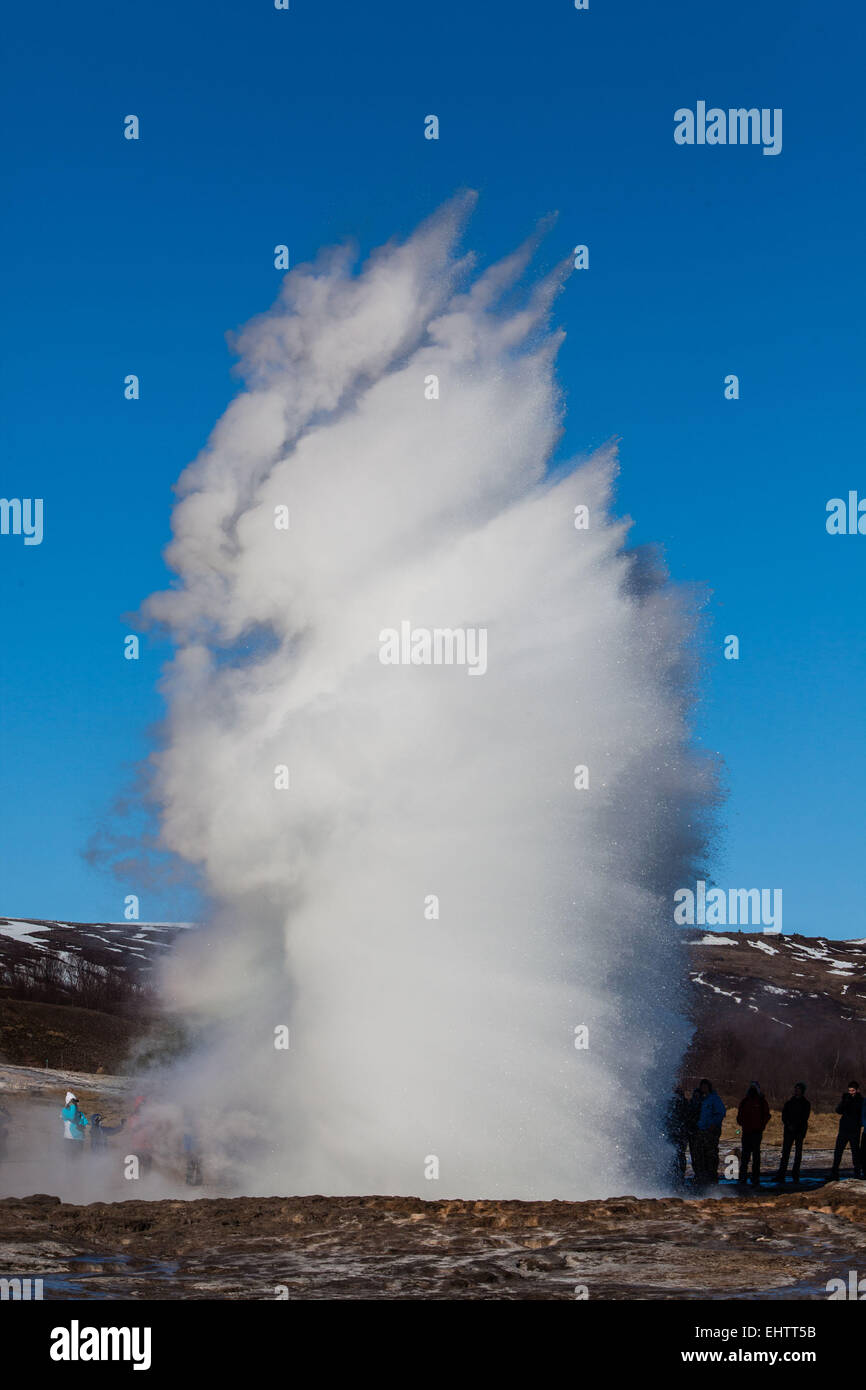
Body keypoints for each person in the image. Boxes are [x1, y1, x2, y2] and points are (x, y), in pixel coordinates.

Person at [736, 1082, 771, 1186]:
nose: (752, 1090)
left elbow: (767, 1115)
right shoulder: (745, 1101)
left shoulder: (761, 1101)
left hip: (756, 1132)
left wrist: (761, 1126)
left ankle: (755, 1178)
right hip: (746, 1132)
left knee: (756, 1156)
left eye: (754, 1088)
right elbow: (740, 1115)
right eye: (751, 1088)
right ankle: (743, 1177)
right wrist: (741, 1122)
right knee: (745, 1156)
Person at [775, 1082, 811, 1184]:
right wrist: (788, 1125)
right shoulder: (789, 1102)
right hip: (789, 1131)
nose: (796, 1091)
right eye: (796, 1089)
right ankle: (781, 1174)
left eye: (798, 1089)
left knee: (798, 1154)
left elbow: (805, 1117)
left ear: (802, 1091)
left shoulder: (806, 1104)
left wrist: (795, 1126)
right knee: (785, 1153)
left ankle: (795, 1174)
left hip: (799, 1131)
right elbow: (784, 1115)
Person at [693, 1078, 726, 1185]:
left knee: (711, 1155)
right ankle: (702, 1178)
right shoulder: (701, 1099)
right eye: (702, 1086)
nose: (703, 1088)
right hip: (701, 1130)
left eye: (705, 1086)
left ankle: (712, 1178)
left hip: (711, 1131)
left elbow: (721, 1112)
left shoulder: (714, 1099)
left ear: (709, 1087)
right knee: (700, 1155)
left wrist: (713, 1124)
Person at [830, 1081, 863, 1180]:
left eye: (853, 1090)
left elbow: (861, 1114)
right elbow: (838, 1111)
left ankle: (857, 1173)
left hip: (854, 1131)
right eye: (849, 1090)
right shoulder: (845, 1098)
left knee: (855, 1152)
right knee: (838, 1152)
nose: (851, 1092)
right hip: (844, 1130)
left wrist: (859, 1125)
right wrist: (845, 1101)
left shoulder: (861, 1100)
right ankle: (834, 1173)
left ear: (857, 1090)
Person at [665, 1085, 691, 1186]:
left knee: (680, 1154)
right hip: (674, 1133)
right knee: (675, 1155)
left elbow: (687, 1117)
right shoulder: (671, 1104)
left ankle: (679, 1176)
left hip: (681, 1133)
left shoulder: (684, 1104)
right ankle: (675, 1176)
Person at [61, 1090, 89, 1157]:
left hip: (79, 1140)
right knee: (70, 1160)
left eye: (76, 1102)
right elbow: (72, 1117)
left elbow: (85, 1122)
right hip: (70, 1139)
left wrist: (82, 1126)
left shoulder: (79, 1113)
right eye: (73, 1102)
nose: (76, 1104)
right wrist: (73, 1106)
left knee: (77, 1161)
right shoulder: (65, 1111)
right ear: (69, 1102)